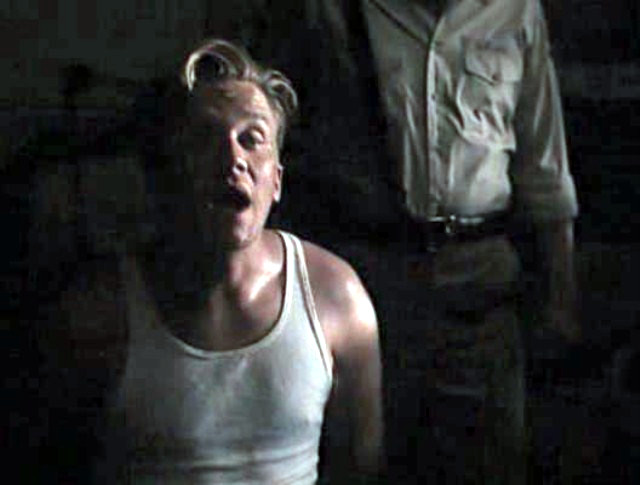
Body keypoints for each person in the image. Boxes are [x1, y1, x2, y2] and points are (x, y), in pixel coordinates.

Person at [244, 0, 579, 483]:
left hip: (481, 285)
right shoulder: (329, 14)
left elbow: (544, 165)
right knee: (371, 457)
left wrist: (562, 295)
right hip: (370, 281)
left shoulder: (515, 11)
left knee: (488, 458)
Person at [43, 39, 383, 484]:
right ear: (166, 172)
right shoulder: (100, 312)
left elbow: (361, 471)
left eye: (252, 139)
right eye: (204, 138)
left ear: (277, 181)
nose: (234, 158)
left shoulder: (337, 298)